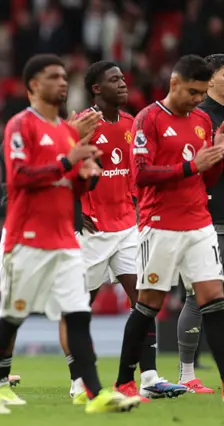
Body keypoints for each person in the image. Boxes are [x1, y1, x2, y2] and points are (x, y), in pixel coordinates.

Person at [0, 54, 141, 415]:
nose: (63, 83)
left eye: (65, 77)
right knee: (13, 316)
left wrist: (89, 174)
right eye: (53, 77)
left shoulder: (67, 132)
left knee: (78, 313)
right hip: (27, 238)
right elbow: (20, 178)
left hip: (65, 239)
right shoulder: (21, 125)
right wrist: (69, 161)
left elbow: (73, 189)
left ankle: (94, 393)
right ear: (33, 85)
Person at [67, 61, 187, 401]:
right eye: (114, 80)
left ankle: (148, 376)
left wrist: (137, 207)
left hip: (126, 228)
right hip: (90, 230)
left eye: (123, 78)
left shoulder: (132, 123)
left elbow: (136, 172)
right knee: (79, 307)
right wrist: (75, 211)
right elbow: (63, 170)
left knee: (143, 301)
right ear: (95, 88)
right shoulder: (82, 124)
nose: (123, 84)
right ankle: (78, 380)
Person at [115, 54, 224, 401]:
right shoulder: (148, 119)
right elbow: (142, 175)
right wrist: (191, 166)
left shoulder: (203, 120)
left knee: (215, 300)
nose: (196, 99)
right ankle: (123, 383)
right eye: (192, 91)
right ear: (174, 83)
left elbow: (207, 177)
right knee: (149, 303)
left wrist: (217, 155)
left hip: (199, 223)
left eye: (202, 92)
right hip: (160, 225)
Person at [175, 53, 224, 392]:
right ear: (210, 78)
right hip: (204, 216)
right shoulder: (197, 117)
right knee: (199, 296)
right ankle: (186, 374)